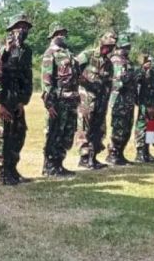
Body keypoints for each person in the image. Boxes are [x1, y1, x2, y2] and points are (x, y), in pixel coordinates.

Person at [0, 14, 33, 185]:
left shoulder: (26, 51)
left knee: (18, 133)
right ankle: (3, 172)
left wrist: (22, 100)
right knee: (2, 135)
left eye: (26, 27)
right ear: (10, 29)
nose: (22, 30)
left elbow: (26, 76)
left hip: (15, 98)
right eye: (19, 26)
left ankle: (12, 169)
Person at [75, 31, 117, 169]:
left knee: (98, 129)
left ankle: (93, 156)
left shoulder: (108, 63)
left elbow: (109, 83)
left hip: (100, 101)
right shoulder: (87, 55)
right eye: (106, 45)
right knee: (84, 128)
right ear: (101, 43)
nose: (108, 49)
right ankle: (84, 157)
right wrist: (87, 83)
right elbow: (74, 70)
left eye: (111, 47)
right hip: (86, 99)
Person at [40, 24, 79, 176]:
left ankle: (59, 164)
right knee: (55, 133)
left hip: (71, 101)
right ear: (53, 35)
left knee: (67, 134)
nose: (62, 35)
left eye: (63, 33)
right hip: (58, 101)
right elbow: (46, 81)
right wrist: (49, 104)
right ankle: (50, 167)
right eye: (58, 33)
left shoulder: (69, 54)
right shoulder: (50, 53)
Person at [107, 35, 140, 166]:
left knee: (127, 127)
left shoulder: (127, 62)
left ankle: (120, 153)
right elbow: (119, 80)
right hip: (119, 100)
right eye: (124, 47)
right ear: (118, 47)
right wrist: (133, 76)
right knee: (119, 127)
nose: (126, 50)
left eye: (128, 47)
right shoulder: (115, 61)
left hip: (128, 100)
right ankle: (113, 154)